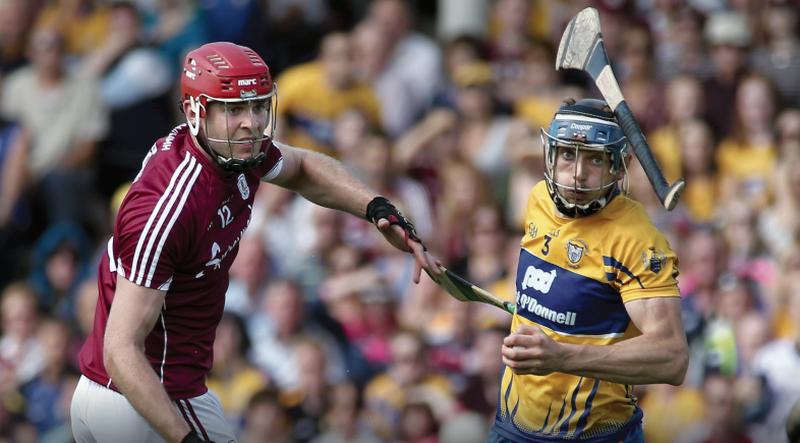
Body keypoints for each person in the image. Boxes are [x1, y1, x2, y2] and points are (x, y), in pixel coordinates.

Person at [68, 41, 438, 443]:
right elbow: (120, 351)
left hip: (164, 389)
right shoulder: (169, 209)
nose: (251, 123)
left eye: (258, 107)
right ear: (196, 112)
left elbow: (303, 167)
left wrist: (378, 209)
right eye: (234, 110)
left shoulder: (232, 152)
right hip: (135, 398)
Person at [489, 98, 689, 442]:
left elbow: (671, 358)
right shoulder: (538, 200)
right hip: (510, 428)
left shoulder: (637, 240)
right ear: (550, 156)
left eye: (594, 158)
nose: (577, 173)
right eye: (567, 154)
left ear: (618, 166)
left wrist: (562, 356)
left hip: (596, 435)